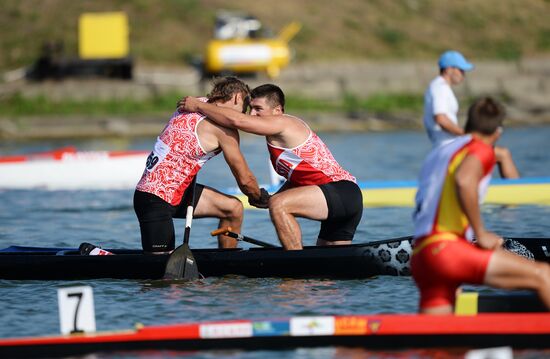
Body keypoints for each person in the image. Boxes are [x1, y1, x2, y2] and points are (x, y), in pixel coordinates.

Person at [178, 84, 363, 250]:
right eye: (250, 109)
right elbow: (300, 178)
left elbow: (237, 121)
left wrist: (198, 106)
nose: (251, 114)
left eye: (258, 109)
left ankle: (296, 266)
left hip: (341, 193)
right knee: (331, 272)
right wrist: (273, 197)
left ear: (277, 110)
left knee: (279, 206)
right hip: (341, 199)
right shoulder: (279, 137)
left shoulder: (285, 122)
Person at [412, 97, 550, 315]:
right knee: (543, 275)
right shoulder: (481, 149)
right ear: (498, 132)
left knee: (440, 344)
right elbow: (464, 180)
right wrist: (481, 233)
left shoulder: (439, 153)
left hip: (421, 256)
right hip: (448, 250)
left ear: (468, 124)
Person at [134, 76, 269, 253]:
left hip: (179, 193)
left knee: (233, 208)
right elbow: (245, 180)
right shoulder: (224, 130)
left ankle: (226, 262)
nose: (242, 115)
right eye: (244, 109)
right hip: (155, 198)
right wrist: (259, 197)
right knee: (161, 273)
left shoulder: (193, 102)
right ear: (237, 97)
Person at [423, 50, 520, 179]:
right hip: (447, 146)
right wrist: (467, 135)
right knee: (503, 154)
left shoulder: (438, 87)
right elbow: (441, 119)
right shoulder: (440, 88)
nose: (463, 75)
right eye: (461, 70)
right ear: (448, 69)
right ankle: (516, 191)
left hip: (448, 144)